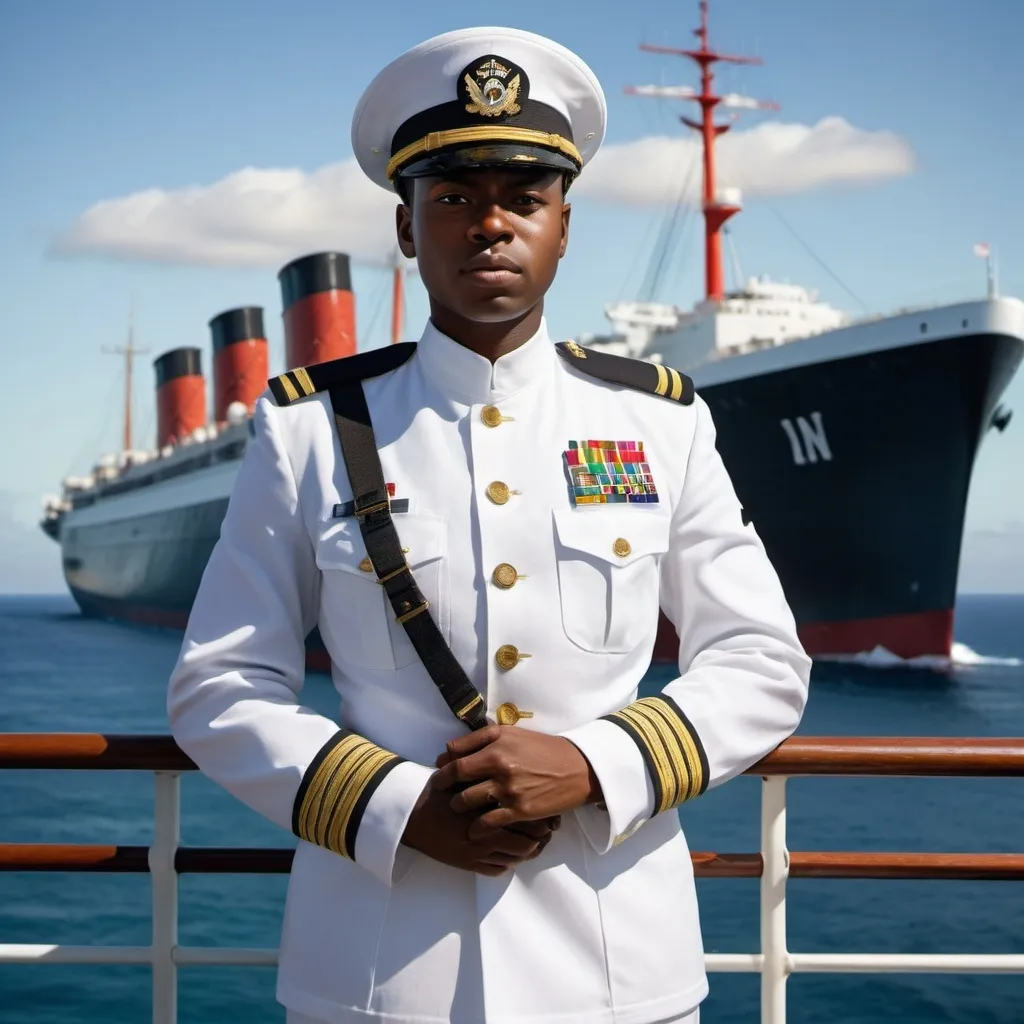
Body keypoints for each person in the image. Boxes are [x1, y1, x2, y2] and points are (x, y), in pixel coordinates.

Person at [167, 25, 811, 1024]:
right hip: (380, 978)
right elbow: (220, 680)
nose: (490, 225)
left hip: (618, 978)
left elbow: (760, 658)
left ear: (564, 224)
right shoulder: (309, 429)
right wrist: (395, 806)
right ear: (405, 226)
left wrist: (599, 764)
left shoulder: (657, 419)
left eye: (523, 197)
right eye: (455, 197)